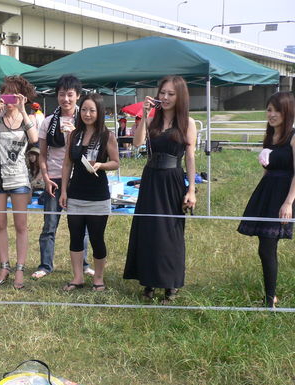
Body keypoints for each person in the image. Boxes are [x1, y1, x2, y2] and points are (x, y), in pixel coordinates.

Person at [123, 75, 197, 303]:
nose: (165, 97)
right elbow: (136, 143)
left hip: (172, 179)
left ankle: (170, 283)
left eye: (170, 94)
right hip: (151, 178)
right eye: (162, 93)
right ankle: (149, 280)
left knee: (170, 232)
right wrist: (144, 115)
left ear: (180, 96)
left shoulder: (188, 123)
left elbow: (190, 157)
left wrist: (191, 189)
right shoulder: (152, 120)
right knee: (148, 229)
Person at [31, 74, 93, 280]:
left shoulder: (85, 120)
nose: (65, 99)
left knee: (81, 225)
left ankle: (84, 264)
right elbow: (42, 154)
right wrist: (45, 178)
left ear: (78, 96)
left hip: (79, 178)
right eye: (61, 94)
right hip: (54, 179)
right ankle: (45, 265)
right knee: (49, 225)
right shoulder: (48, 122)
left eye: (70, 95)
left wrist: (75, 134)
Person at [0, 76, 39, 289]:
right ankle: (4, 266)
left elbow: (34, 139)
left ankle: (20, 269)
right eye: (5, 94)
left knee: (21, 225)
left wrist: (22, 110)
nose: (9, 99)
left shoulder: (27, 118)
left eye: (13, 94)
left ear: (22, 96)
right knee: (0, 224)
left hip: (19, 177)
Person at [237, 92, 295, 308]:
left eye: (277, 110)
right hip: (268, 192)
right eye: (269, 110)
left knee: (267, 246)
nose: (272, 114)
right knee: (265, 246)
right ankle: (271, 297)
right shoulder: (270, 137)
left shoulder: (293, 136)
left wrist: (288, 202)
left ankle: (270, 300)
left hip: (285, 194)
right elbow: (267, 170)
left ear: (288, 112)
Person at [59, 93, 120, 291]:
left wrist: (101, 165)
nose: (87, 114)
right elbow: (67, 164)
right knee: (75, 236)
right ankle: (77, 278)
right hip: (76, 194)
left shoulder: (107, 136)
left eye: (92, 110)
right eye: (84, 110)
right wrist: (64, 191)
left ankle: (98, 279)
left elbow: (116, 162)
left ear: (99, 112)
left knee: (97, 238)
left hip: (98, 196)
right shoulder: (74, 134)